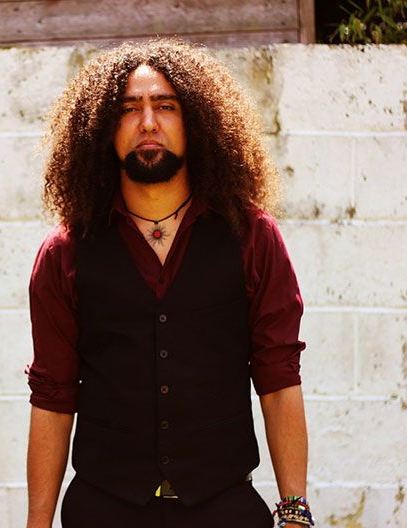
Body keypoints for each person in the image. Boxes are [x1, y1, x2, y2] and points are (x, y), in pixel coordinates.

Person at [25, 39, 313, 528]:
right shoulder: (65, 252)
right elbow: (53, 395)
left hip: (224, 510)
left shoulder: (252, 237)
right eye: (128, 109)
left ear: (195, 122)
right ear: (102, 128)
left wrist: (294, 513)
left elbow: (279, 377)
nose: (147, 123)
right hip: (102, 511)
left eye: (165, 106)